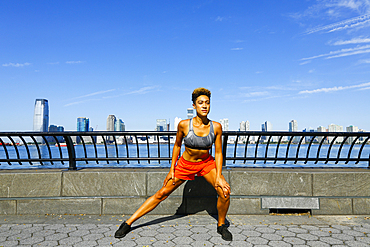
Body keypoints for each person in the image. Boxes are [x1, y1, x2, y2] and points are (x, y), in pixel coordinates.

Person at [114, 87, 232, 241]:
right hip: (185, 165)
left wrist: (218, 176)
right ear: (194, 106)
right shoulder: (184, 125)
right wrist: (172, 170)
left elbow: (218, 153)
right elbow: (177, 146)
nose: (204, 106)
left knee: (224, 191)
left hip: (206, 164)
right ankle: (128, 223)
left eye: (207, 103)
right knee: (161, 193)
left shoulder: (216, 127)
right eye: (200, 102)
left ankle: (221, 225)